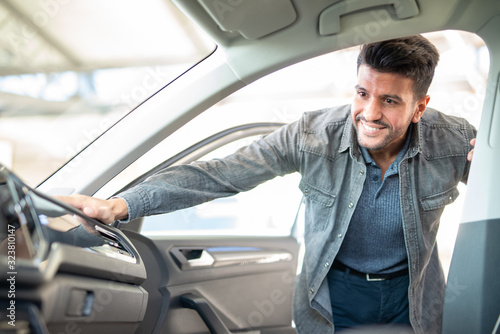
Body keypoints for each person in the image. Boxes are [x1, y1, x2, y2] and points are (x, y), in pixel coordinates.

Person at [59, 35, 476, 334]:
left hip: (414, 295)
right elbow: (220, 174)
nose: (369, 112)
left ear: (420, 107)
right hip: (332, 296)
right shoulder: (312, 136)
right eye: (362, 93)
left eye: (389, 100)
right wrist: (119, 205)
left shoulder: (454, 141)